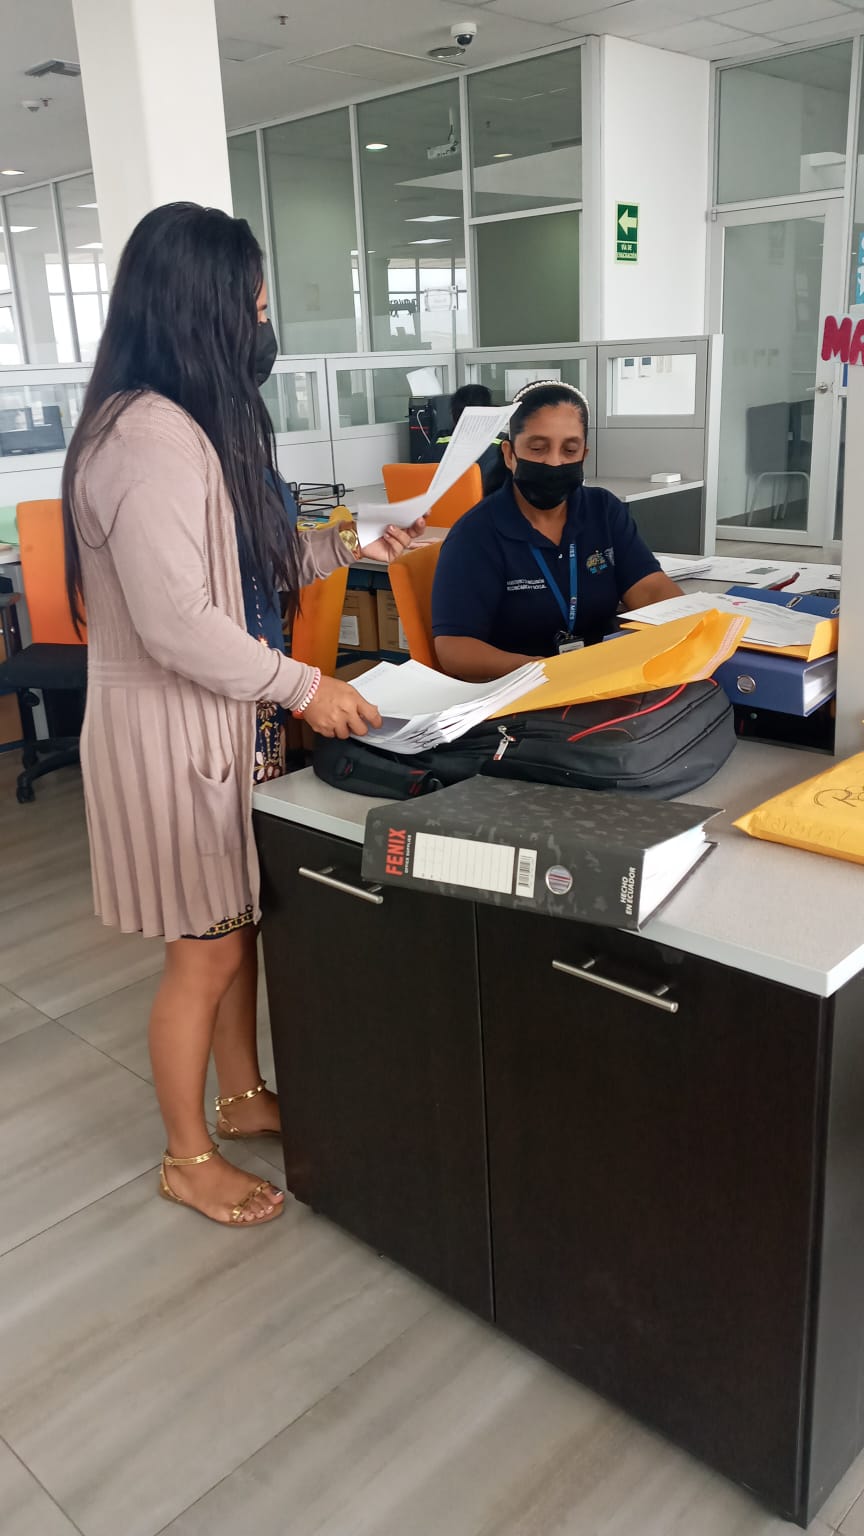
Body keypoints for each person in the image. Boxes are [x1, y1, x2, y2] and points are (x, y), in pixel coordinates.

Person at [62, 202, 425, 1228]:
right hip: (177, 738)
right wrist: (309, 687)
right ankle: (187, 1155)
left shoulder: (192, 424)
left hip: (232, 724)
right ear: (205, 308)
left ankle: (241, 1091)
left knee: (238, 925)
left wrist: (349, 545)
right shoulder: (146, 438)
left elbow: (245, 573)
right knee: (206, 950)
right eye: (256, 308)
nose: (266, 326)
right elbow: (178, 622)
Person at [431, 379, 682, 681]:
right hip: (518, 690)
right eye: (538, 448)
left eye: (569, 449)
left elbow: (650, 588)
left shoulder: (603, 510)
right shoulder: (476, 534)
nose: (554, 462)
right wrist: (542, 671)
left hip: (601, 680)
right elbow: (455, 648)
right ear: (509, 455)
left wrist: (692, 624)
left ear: (584, 455)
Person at [435, 383, 508, 497]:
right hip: (486, 505)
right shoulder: (502, 445)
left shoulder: (439, 440)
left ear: (453, 415)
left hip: (443, 506)